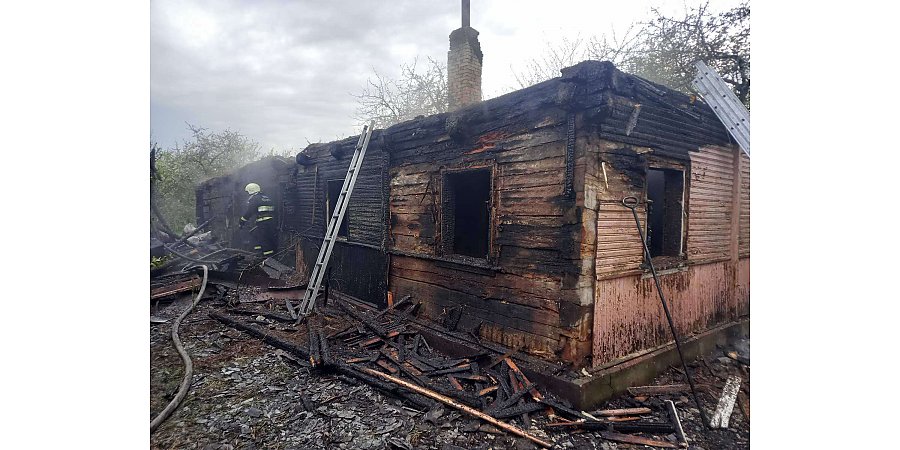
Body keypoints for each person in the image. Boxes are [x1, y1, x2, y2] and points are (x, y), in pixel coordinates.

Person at [239, 183, 277, 257]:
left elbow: (249, 212)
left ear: (251, 191)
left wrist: (242, 221)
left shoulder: (254, 199)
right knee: (262, 237)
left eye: (248, 192)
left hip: (263, 222)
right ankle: (260, 254)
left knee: (264, 241)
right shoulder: (266, 197)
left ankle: (267, 258)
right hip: (271, 222)